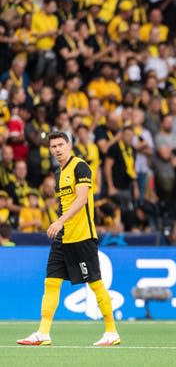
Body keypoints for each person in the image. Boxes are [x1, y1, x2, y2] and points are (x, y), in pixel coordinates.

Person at [17, 131, 119, 346]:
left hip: (82, 236)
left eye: (60, 145)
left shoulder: (80, 166)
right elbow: (66, 203)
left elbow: (82, 199)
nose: (57, 150)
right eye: (53, 146)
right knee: (51, 282)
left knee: (95, 283)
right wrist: (62, 224)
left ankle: (111, 332)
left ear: (69, 145)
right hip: (63, 238)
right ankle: (43, 333)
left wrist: (59, 221)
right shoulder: (58, 173)